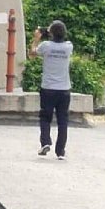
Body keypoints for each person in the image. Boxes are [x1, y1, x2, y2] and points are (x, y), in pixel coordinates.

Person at [30, 20, 72, 160]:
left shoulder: (46, 46)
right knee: (63, 120)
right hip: (64, 89)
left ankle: (45, 142)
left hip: (48, 88)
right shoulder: (68, 46)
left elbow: (32, 54)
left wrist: (36, 38)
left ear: (51, 33)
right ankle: (60, 151)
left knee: (45, 117)